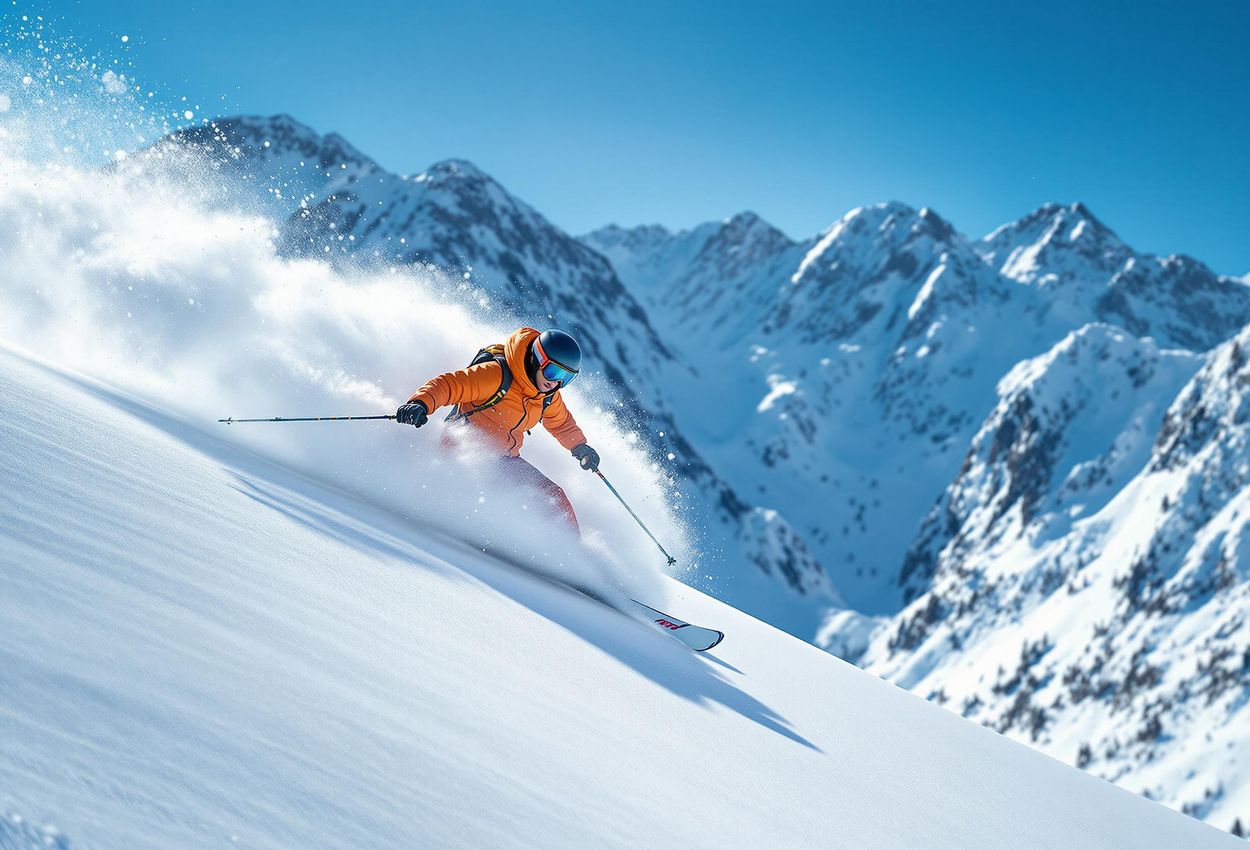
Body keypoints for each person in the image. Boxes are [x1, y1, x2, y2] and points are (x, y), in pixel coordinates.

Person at [396, 327, 600, 533]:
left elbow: (561, 423)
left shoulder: (546, 395)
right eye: (553, 371)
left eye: (566, 378)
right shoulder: (497, 375)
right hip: (461, 449)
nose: (555, 381)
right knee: (478, 490)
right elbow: (450, 385)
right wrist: (421, 404)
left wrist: (580, 447)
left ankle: (567, 555)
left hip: (504, 460)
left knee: (553, 497)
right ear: (537, 359)